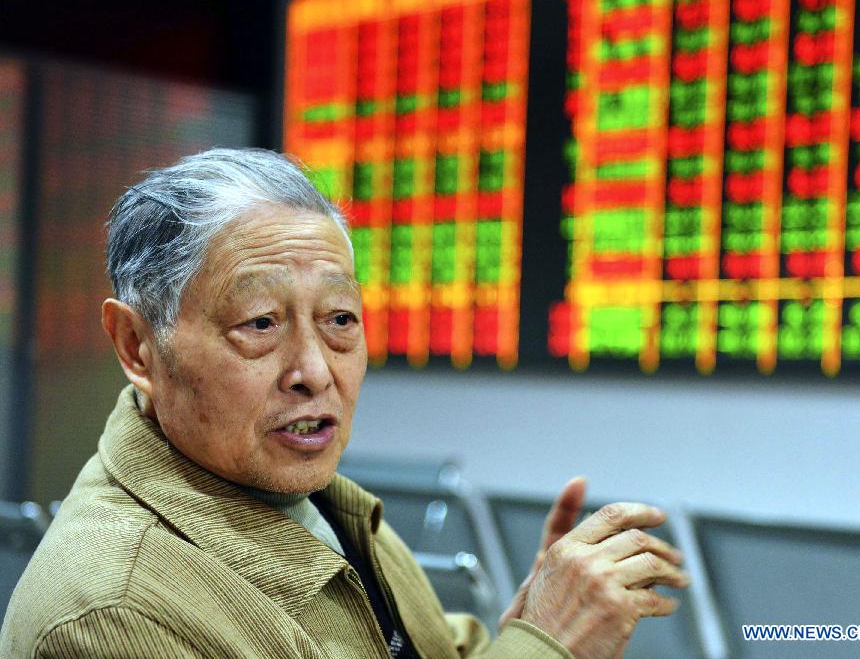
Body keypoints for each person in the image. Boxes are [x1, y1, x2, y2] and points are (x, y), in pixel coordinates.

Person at [0, 149, 689, 658]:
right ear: (136, 346)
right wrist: (546, 645)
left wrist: (537, 619)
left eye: (340, 320)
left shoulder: (323, 505)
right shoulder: (109, 612)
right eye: (260, 324)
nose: (313, 371)